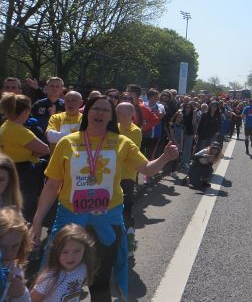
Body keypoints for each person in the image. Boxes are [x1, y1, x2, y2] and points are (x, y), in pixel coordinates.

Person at [29, 95, 179, 301]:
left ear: (111, 117)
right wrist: (37, 220)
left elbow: (146, 168)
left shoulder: (121, 142)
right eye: (95, 109)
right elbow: (53, 184)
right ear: (87, 112)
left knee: (99, 283)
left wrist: (165, 158)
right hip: (71, 220)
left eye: (105, 110)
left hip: (106, 221)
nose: (100, 113)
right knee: (57, 279)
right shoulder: (67, 142)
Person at [0, 93, 50, 222]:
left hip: (11, 168)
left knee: (12, 203)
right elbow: (45, 149)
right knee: (26, 206)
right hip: (25, 172)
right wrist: (34, 153)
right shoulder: (20, 131)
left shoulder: (5, 125)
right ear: (26, 111)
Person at [30, 224, 95, 302]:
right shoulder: (50, 278)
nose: (70, 257)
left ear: (85, 249)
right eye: (64, 252)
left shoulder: (82, 268)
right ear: (56, 251)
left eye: (77, 251)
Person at [115, 102, 142, 258]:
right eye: (117, 112)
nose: (117, 114)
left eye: (121, 112)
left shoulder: (135, 131)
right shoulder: (113, 127)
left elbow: (127, 153)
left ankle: (130, 239)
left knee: (126, 209)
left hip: (126, 176)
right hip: (110, 175)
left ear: (131, 115)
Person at [0, 206, 31, 302]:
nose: (9, 253)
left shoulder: (16, 268)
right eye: (2, 246)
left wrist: (20, 294)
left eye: (15, 246)